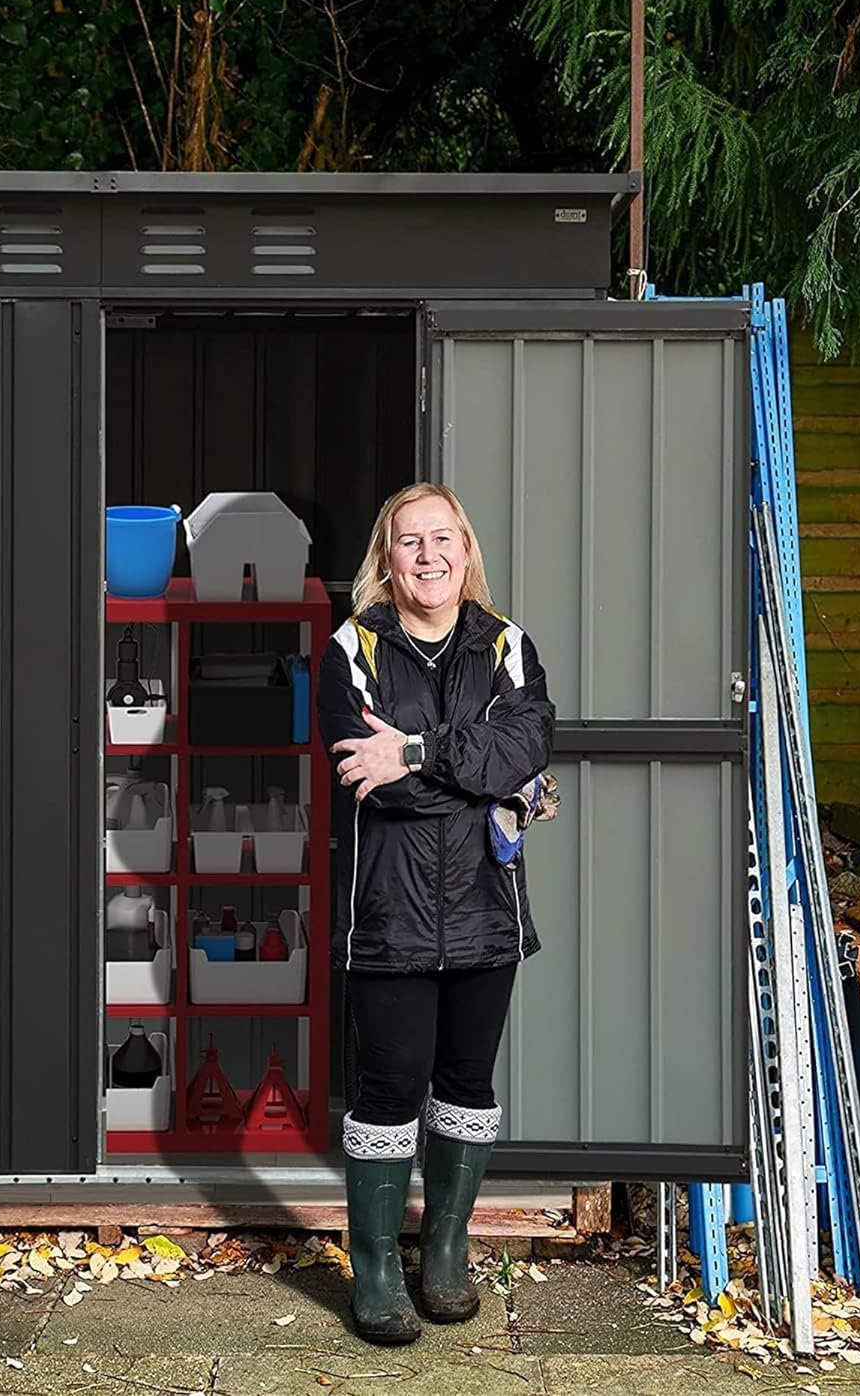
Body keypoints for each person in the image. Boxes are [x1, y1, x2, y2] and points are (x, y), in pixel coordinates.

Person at [317, 481, 556, 1345]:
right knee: (387, 1089)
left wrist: (413, 751)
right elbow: (364, 781)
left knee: (467, 1084)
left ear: (467, 550)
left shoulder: (507, 645)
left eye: (443, 539)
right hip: (389, 915)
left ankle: (444, 1248)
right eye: (410, 541)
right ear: (387, 557)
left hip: (487, 913)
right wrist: (487, 780)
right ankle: (376, 1266)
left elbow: (527, 745)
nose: (429, 556)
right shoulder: (353, 647)